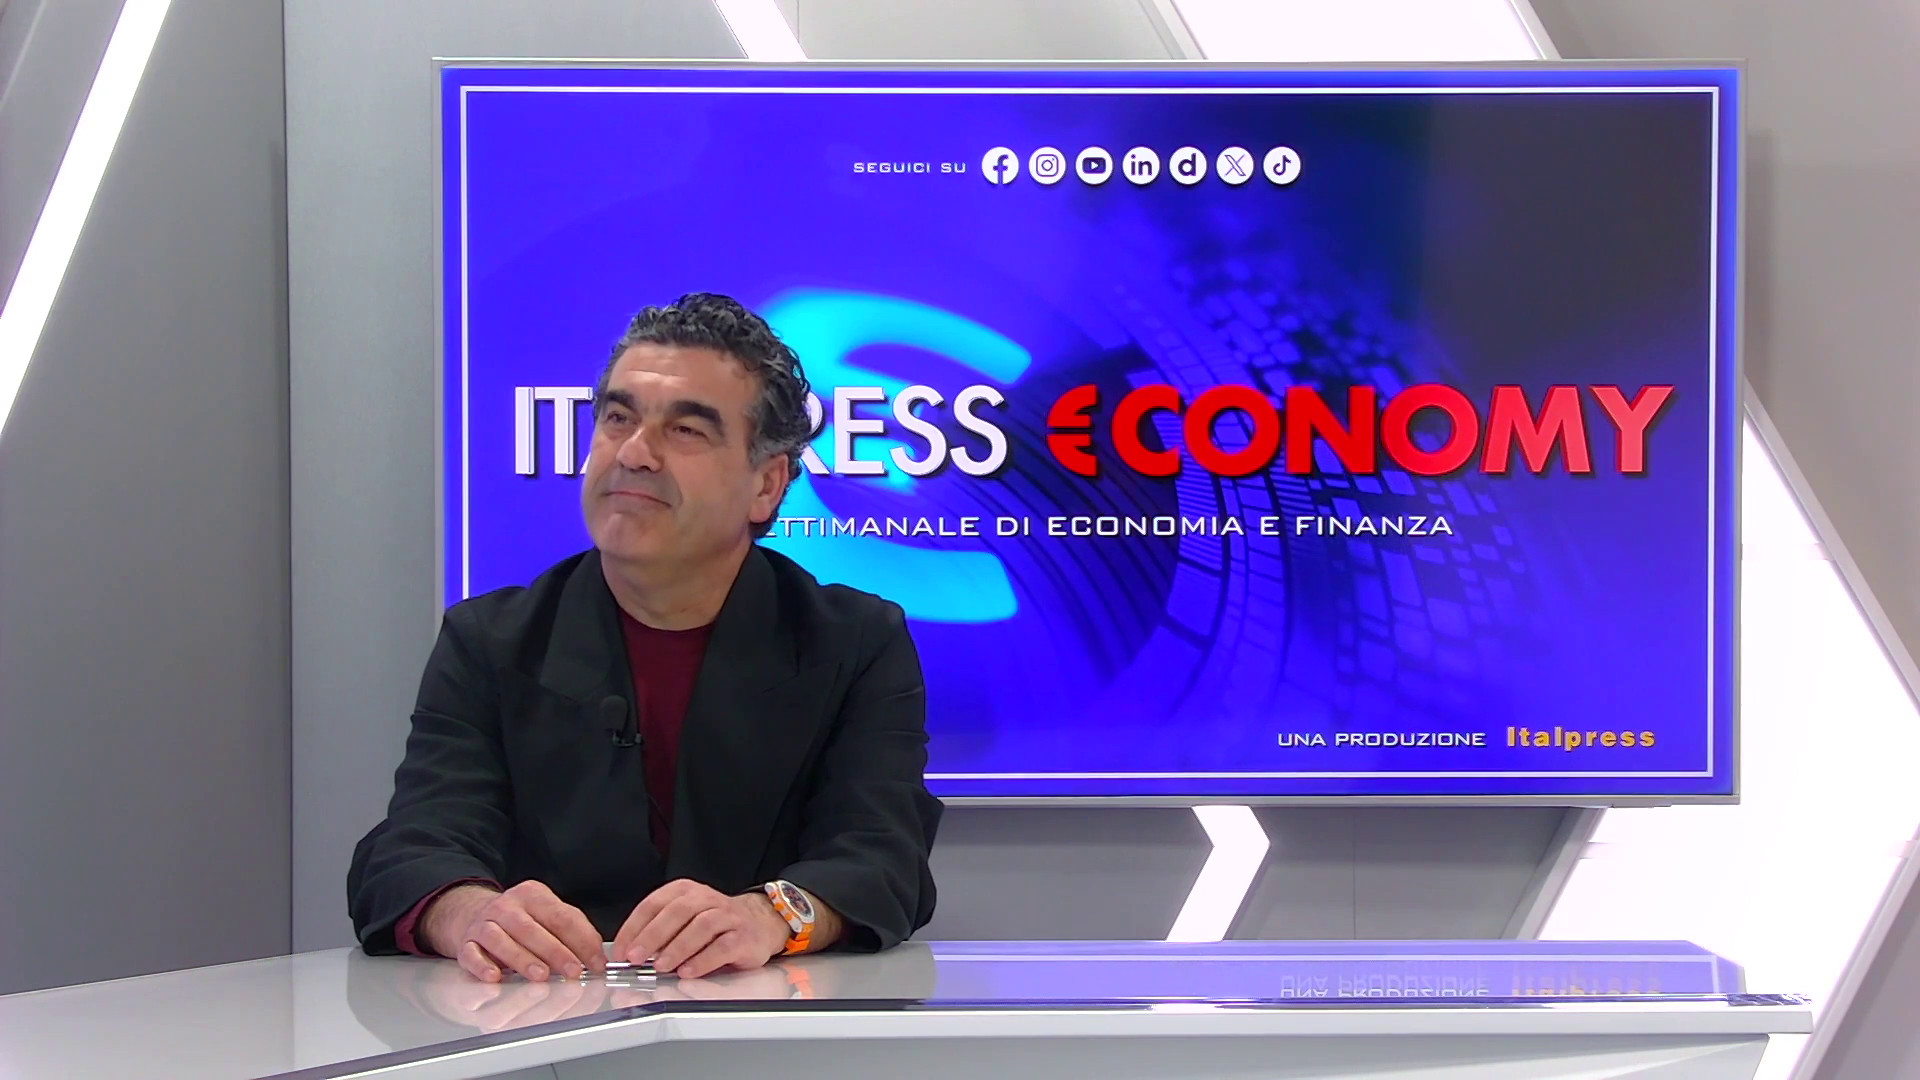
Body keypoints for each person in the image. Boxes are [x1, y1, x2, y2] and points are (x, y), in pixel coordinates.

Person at [348, 293, 942, 983]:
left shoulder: (855, 643)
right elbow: (410, 851)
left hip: (765, 1017)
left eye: (686, 430)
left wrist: (771, 915)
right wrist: (469, 912)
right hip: (542, 1019)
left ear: (767, 483)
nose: (634, 453)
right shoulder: (490, 641)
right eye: (618, 418)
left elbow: (883, 859)